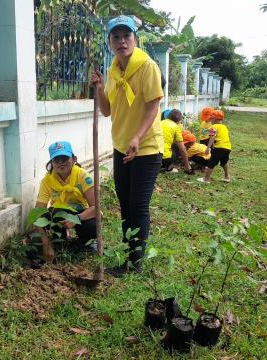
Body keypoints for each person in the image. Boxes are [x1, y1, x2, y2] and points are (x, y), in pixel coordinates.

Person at [90, 15, 164, 277]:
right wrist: (99, 88)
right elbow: (107, 110)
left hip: (146, 148)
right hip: (122, 146)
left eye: (126, 36)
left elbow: (153, 106)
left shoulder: (147, 67)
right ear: (110, 41)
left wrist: (137, 136)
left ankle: (135, 263)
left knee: (138, 205)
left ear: (135, 38)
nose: (122, 41)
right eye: (116, 37)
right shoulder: (112, 70)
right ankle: (129, 256)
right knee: (124, 203)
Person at [35, 141, 97, 262]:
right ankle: (60, 240)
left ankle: (87, 242)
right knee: (49, 215)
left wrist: (77, 219)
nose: (60, 163)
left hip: (80, 213)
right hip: (59, 213)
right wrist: (46, 244)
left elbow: (96, 207)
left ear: (74, 159)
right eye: (56, 160)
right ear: (51, 163)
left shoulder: (82, 176)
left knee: (92, 225)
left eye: (64, 158)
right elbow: (37, 213)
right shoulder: (47, 180)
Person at [198, 109, 232, 183]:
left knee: (211, 163)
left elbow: (212, 137)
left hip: (218, 148)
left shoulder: (213, 127)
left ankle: (206, 179)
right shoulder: (224, 127)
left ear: (214, 119)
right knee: (224, 162)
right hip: (227, 148)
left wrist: (208, 148)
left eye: (211, 118)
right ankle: (227, 177)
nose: (210, 120)